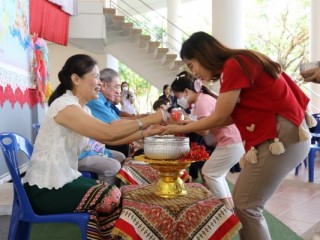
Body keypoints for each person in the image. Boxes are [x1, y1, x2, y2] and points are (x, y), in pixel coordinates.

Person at [161, 31, 312, 240]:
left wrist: (178, 128)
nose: (193, 73)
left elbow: (220, 117)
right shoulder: (240, 62)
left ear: (203, 54)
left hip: (280, 137)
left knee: (246, 207)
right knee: (244, 206)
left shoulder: (235, 65)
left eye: (192, 65)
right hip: (283, 135)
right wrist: (190, 124)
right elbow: (229, 115)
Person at [23, 54, 168, 240]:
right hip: (46, 188)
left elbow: (112, 135)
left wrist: (146, 132)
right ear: (75, 79)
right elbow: (108, 133)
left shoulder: (83, 109)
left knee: (116, 196)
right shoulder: (64, 107)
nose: (100, 82)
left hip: (64, 179)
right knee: (110, 196)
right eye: (96, 76)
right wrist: (148, 119)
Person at [170, 71, 245, 210]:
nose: (178, 100)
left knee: (209, 173)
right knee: (217, 175)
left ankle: (227, 210)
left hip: (230, 141)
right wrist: (188, 122)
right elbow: (204, 125)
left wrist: (184, 125)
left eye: (177, 96)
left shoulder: (201, 101)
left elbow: (204, 130)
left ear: (186, 91)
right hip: (233, 141)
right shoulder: (203, 98)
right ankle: (230, 208)